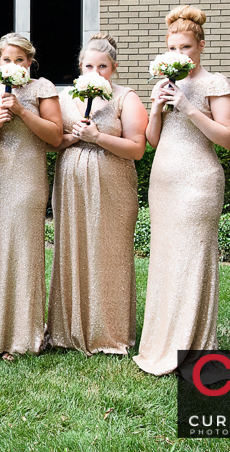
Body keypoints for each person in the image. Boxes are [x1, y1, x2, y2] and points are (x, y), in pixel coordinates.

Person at [134, 6, 230, 376]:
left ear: (201, 46)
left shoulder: (216, 84)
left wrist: (189, 107)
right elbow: (151, 139)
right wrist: (158, 107)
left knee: (193, 258)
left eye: (186, 48)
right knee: (166, 259)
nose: (179, 55)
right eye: (173, 48)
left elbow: (227, 139)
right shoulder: (162, 85)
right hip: (163, 180)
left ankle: (194, 348)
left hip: (199, 181)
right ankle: (162, 342)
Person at [47, 33, 148, 356]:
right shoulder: (65, 98)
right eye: (89, 65)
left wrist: (97, 136)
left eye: (102, 66)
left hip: (112, 185)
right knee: (74, 248)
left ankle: (109, 332)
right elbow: (54, 141)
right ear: (80, 66)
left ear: (113, 68)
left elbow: (137, 149)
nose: (95, 71)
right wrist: (74, 138)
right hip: (71, 184)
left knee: (109, 251)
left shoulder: (125, 98)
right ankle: (69, 328)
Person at [0, 33, 62, 358]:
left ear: (30, 62)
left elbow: (55, 136)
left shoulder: (43, 88)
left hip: (28, 178)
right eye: (6, 60)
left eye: (19, 60)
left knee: (25, 250)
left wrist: (23, 112)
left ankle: (25, 335)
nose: (13, 65)